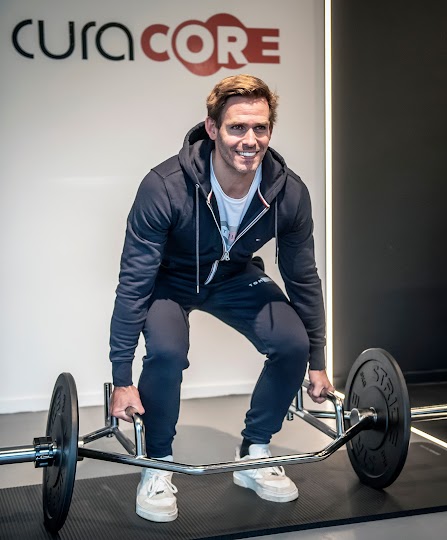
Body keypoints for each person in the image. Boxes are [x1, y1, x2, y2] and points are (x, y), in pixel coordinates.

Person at [108, 74, 334, 522]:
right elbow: (134, 280)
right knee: (167, 352)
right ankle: (158, 463)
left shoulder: (288, 193)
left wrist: (318, 359)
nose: (250, 140)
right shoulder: (165, 186)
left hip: (234, 277)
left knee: (292, 343)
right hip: (171, 281)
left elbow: (302, 277)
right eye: (237, 127)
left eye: (260, 128)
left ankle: (254, 452)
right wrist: (121, 377)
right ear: (212, 128)